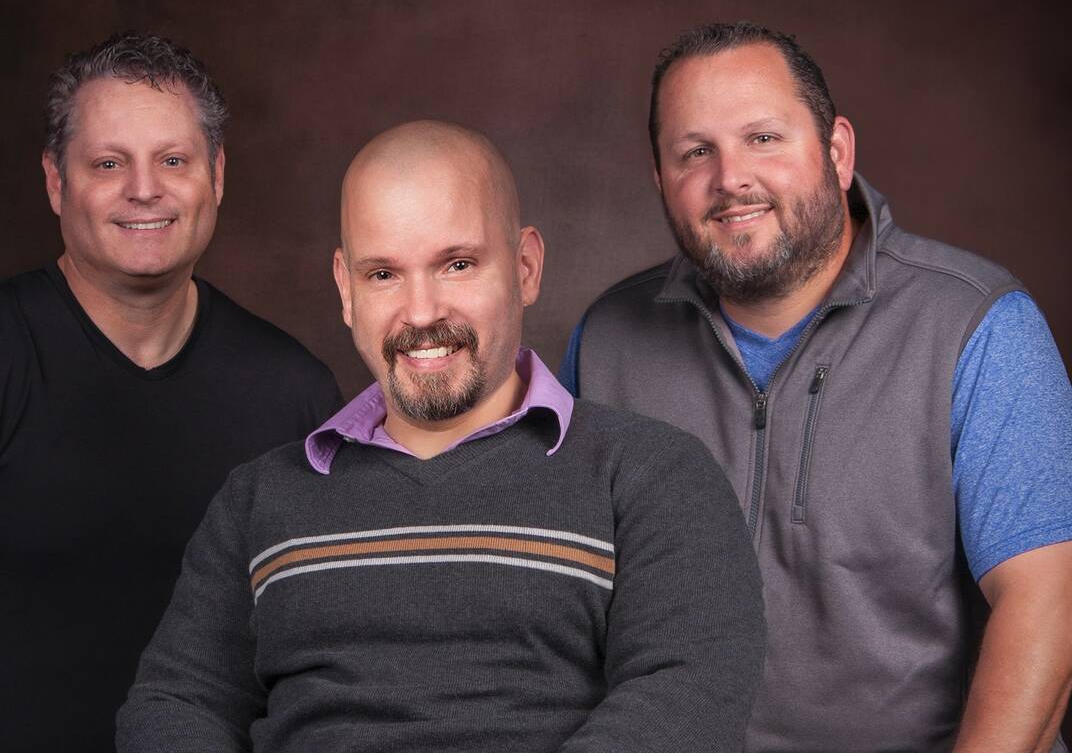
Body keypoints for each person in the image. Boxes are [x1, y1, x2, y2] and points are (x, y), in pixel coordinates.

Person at [116, 120, 766, 752]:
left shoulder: (651, 477)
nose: (421, 313)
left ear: (526, 267)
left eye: (456, 264)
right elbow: (176, 702)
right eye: (383, 275)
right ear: (345, 289)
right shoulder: (258, 500)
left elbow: (687, 696)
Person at [561, 21, 1072, 751]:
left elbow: (1047, 605)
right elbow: (562, 603)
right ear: (660, 180)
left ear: (836, 152)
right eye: (694, 152)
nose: (730, 177)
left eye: (762, 138)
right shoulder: (609, 339)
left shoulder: (977, 326)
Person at [0, 32, 343, 752]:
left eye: (174, 160)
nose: (145, 188)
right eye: (108, 162)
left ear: (216, 175)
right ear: (56, 182)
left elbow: (331, 652)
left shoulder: (295, 394)